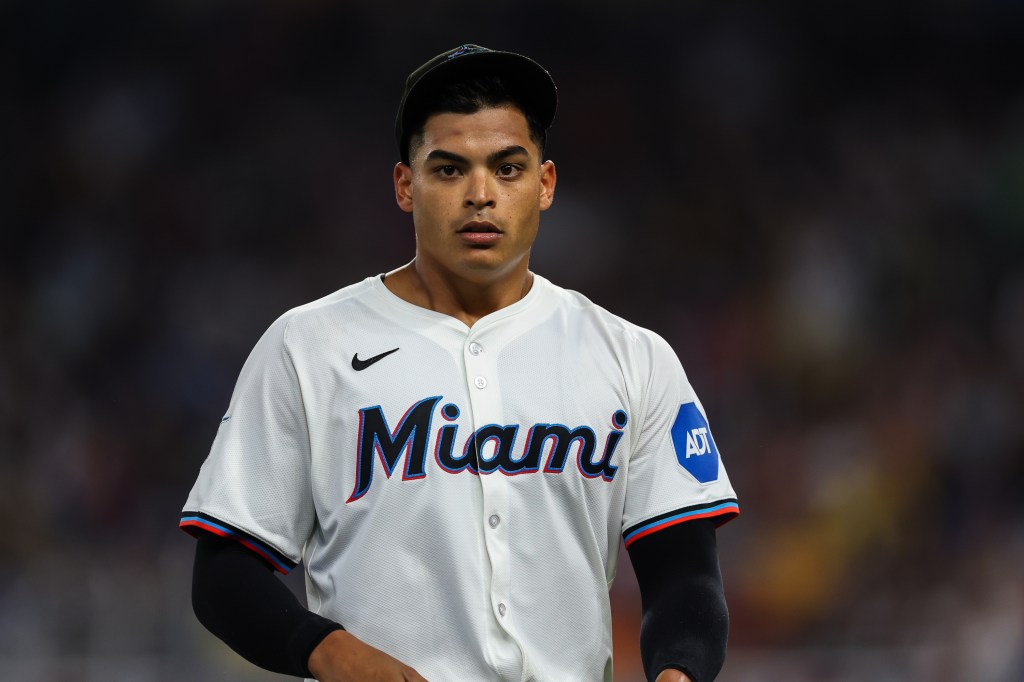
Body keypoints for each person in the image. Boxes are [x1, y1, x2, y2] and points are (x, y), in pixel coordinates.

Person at [180, 44, 740, 682]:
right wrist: (328, 650)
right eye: (449, 170)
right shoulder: (308, 346)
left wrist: (676, 676)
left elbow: (686, 577)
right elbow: (224, 571)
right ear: (404, 185)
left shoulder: (633, 357)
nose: (481, 194)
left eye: (508, 168)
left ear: (545, 184)